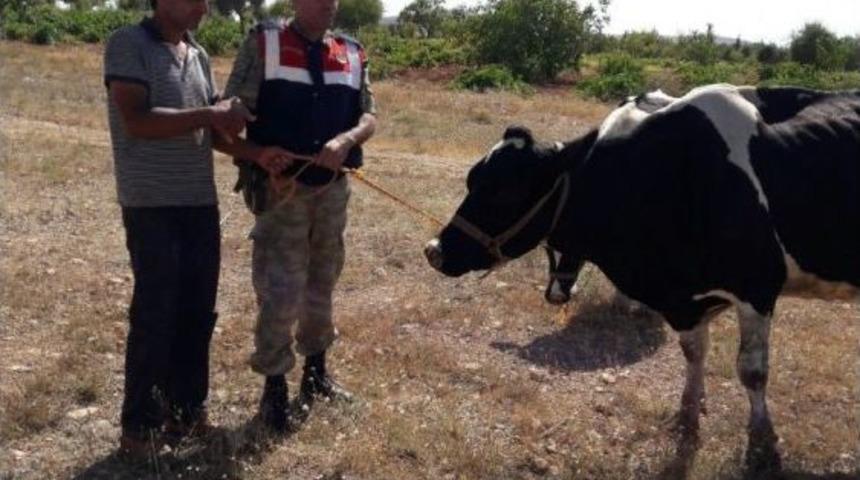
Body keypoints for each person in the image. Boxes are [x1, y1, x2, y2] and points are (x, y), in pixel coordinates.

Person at [104, 0, 291, 459]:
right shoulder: (128, 44)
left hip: (198, 203)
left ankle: (186, 412)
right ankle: (139, 430)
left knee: (196, 312)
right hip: (152, 205)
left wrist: (257, 154)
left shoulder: (199, 55)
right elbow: (138, 120)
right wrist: (210, 114)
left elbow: (215, 135)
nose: (205, 6)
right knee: (156, 313)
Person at [224, 0, 377, 432]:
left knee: (323, 279)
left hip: (332, 190)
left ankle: (316, 373)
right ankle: (274, 388)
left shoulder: (351, 51)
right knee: (281, 286)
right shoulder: (264, 42)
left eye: (333, 0)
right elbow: (234, 108)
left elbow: (369, 113)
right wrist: (249, 144)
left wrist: (346, 140)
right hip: (282, 190)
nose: (328, 6)